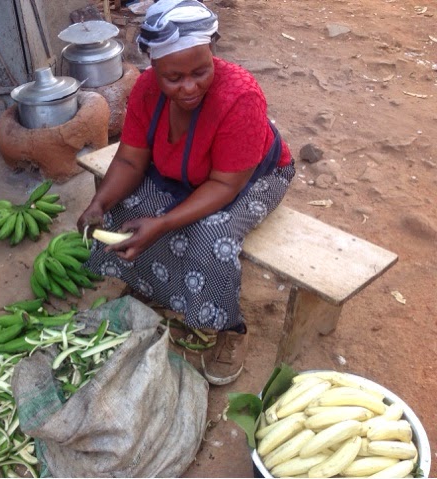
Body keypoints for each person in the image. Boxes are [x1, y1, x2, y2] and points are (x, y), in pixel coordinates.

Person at [77, 0, 295, 386]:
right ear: (154, 66)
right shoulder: (145, 89)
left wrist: (163, 223)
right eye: (174, 77)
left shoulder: (240, 96)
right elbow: (129, 160)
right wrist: (99, 203)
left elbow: (225, 185)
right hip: (184, 168)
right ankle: (150, 289)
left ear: (213, 52)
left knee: (211, 237)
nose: (189, 87)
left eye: (200, 72)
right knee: (125, 208)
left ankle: (228, 328)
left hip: (251, 177)